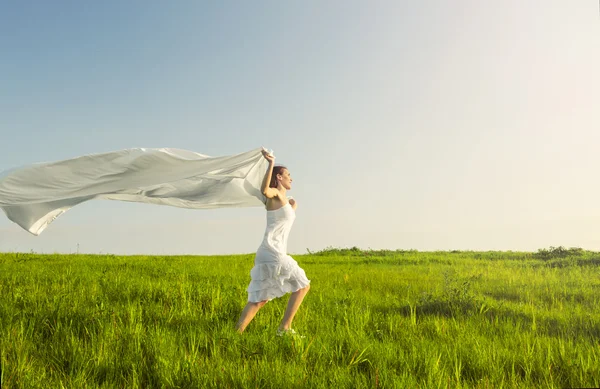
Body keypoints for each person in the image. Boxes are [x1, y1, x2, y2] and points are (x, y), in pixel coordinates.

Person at [236, 149, 311, 335]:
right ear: (279, 177)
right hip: (273, 253)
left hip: (269, 252)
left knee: (260, 299)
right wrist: (271, 163)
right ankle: (284, 328)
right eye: (288, 175)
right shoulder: (275, 194)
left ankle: (235, 334)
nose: (291, 178)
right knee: (303, 285)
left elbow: (288, 213)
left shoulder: (285, 200)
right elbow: (264, 190)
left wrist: (293, 205)